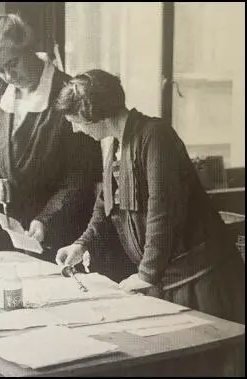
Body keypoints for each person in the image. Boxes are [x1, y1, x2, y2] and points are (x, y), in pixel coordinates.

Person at [55, 69, 245, 323]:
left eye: (76, 121)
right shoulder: (113, 145)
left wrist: (146, 275)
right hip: (165, 279)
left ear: (93, 114)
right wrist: (82, 243)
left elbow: (162, 210)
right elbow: (105, 203)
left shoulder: (156, 136)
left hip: (201, 281)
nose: (76, 129)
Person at [0, 14, 101, 261]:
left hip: (50, 234)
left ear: (28, 48)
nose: (8, 76)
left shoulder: (67, 93)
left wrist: (47, 219)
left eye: (12, 63)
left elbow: (82, 175)